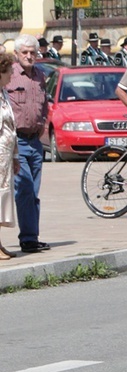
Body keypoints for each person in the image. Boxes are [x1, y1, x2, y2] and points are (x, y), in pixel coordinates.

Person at [7, 34, 50, 254]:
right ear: (16, 54)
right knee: (23, 189)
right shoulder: (9, 77)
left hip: (35, 142)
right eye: (24, 52)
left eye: (32, 52)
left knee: (33, 191)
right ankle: (28, 238)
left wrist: (43, 123)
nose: (29, 56)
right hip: (17, 141)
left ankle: (32, 235)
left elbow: (44, 106)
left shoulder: (40, 76)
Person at [0, 53, 19, 260]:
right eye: (9, 72)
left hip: (5, 156)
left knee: (3, 197)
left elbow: (11, 127)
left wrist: (15, 156)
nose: (12, 75)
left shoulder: (4, 94)